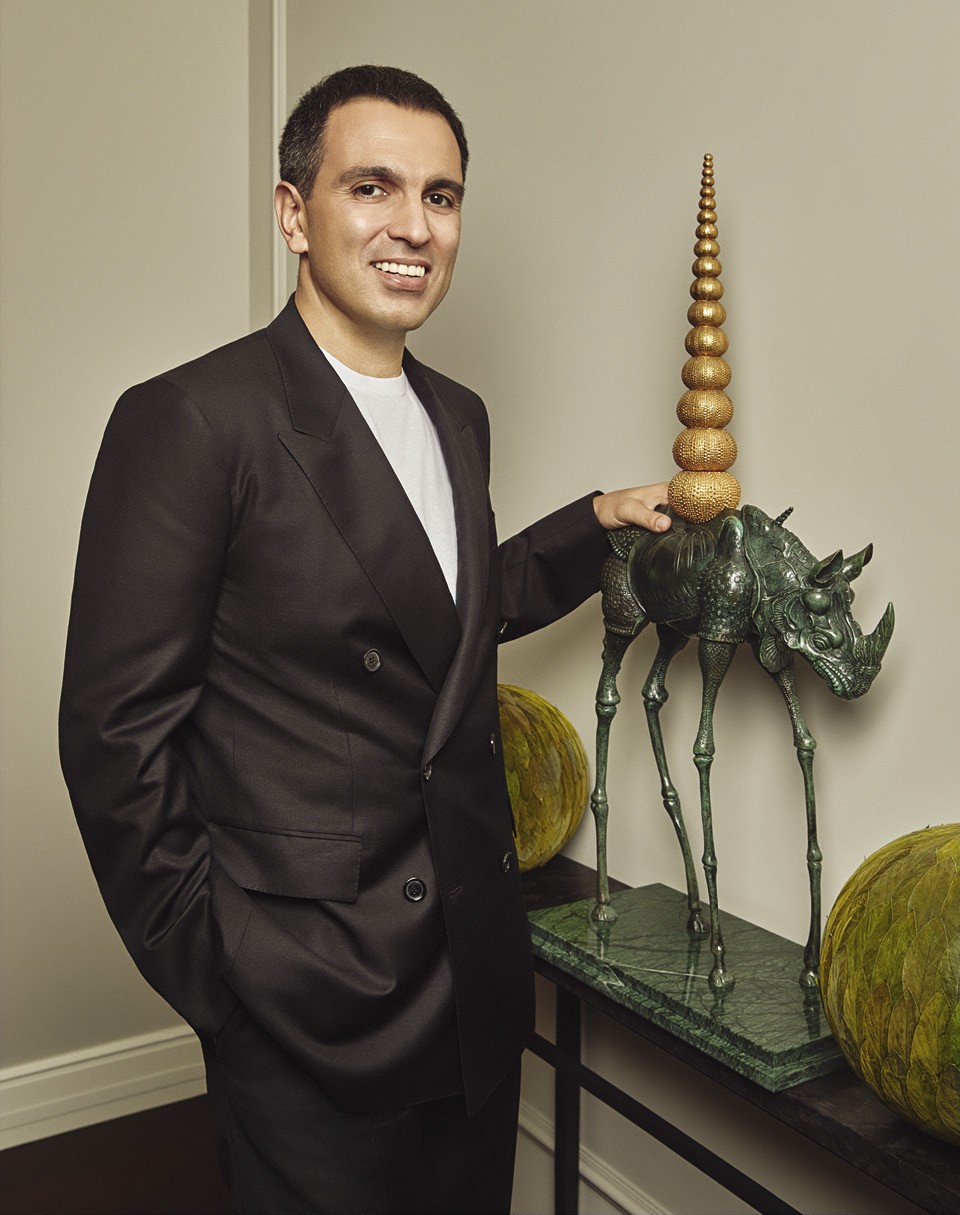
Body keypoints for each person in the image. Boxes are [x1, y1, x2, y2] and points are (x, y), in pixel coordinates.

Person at [59, 65, 670, 1215]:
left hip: (471, 975)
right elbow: (111, 736)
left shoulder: (459, 415)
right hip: (303, 999)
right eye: (372, 187)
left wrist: (592, 526)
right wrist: (227, 983)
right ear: (294, 213)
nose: (413, 226)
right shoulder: (191, 419)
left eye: (440, 197)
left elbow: (439, 618)